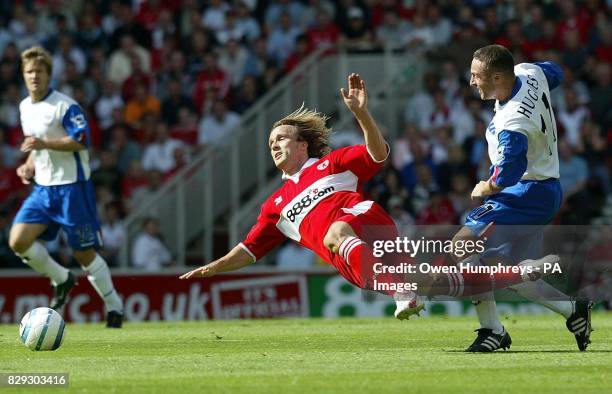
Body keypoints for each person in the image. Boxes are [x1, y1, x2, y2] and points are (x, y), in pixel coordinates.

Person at [180, 73, 558, 320]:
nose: (274, 145)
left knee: (335, 233)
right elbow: (248, 250)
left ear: (303, 144)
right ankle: (522, 273)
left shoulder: (332, 163)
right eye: (271, 142)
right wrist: (214, 267)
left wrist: (362, 115)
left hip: (365, 224)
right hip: (358, 264)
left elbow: (379, 155)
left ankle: (400, 288)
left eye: (281, 138)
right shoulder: (273, 207)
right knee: (440, 280)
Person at [452, 44, 592, 352]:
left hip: (525, 192)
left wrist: (485, 187)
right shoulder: (528, 72)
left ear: (499, 77)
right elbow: (554, 71)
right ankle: (573, 310)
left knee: (462, 247)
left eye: (477, 76)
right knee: (511, 271)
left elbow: (508, 174)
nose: (472, 81)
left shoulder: (512, 123)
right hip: (545, 188)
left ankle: (493, 330)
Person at [9, 46, 124, 328]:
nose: (34, 76)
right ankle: (62, 278)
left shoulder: (64, 105)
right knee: (18, 241)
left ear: (49, 75)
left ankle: (114, 307)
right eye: (29, 72)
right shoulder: (25, 107)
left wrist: (43, 145)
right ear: (23, 76)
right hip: (44, 190)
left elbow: (82, 139)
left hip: (73, 188)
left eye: (39, 71)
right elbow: (36, 146)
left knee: (84, 254)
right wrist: (29, 164)